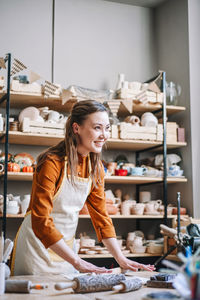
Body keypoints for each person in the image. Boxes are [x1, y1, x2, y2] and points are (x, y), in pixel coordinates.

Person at [11, 100, 155, 275]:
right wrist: (78, 262)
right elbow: (40, 221)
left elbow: (102, 218)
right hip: (35, 249)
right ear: (76, 128)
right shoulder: (52, 162)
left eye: (107, 128)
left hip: (66, 251)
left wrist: (121, 258)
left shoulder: (96, 169)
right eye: (97, 128)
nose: (104, 135)